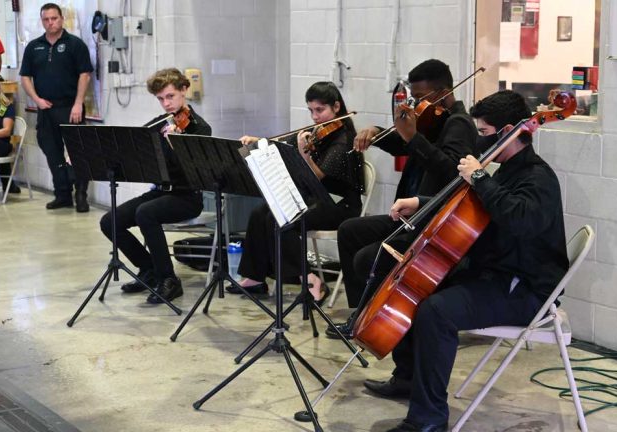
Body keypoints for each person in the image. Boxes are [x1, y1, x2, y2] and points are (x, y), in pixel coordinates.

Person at [362, 90, 569, 432]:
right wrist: (421, 201)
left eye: (484, 134)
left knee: (436, 311)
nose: (479, 142)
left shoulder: (537, 178)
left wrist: (479, 177)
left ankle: (428, 420)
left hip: (525, 290)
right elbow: (473, 206)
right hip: (493, 273)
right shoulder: (505, 170)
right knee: (419, 289)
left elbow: (518, 218)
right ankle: (411, 381)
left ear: (507, 133)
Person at [327, 59, 477, 337]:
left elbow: (451, 173)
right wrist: (375, 131)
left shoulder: (459, 124)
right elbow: (400, 144)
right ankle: (359, 311)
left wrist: (413, 138)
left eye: (420, 98)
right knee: (349, 230)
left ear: (442, 92)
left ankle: (374, 316)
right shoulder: (433, 119)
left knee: (368, 257)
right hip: (410, 215)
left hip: (431, 221)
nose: (416, 104)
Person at [227, 81, 363, 302]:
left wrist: (304, 154)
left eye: (320, 110)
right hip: (315, 201)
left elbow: (316, 176)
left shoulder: (343, 140)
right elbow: (281, 143)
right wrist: (259, 141)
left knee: (281, 218)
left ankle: (310, 279)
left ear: (336, 107)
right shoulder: (318, 132)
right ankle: (255, 277)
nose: (315, 117)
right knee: (260, 212)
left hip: (339, 206)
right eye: (311, 111)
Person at [99, 68, 212, 304]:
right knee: (110, 221)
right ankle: (149, 269)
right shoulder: (161, 124)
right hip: (160, 192)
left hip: (187, 197)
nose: (166, 104)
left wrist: (176, 144)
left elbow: (195, 171)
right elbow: (133, 141)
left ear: (184, 90)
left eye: (170, 96)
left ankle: (169, 279)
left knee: (146, 213)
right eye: (161, 99)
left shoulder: (199, 128)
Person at [20, 3, 93, 212]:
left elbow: (84, 75)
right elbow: (25, 77)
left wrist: (78, 103)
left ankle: (80, 195)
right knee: (52, 153)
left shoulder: (75, 44)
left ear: (62, 19)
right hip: (46, 109)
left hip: (70, 107)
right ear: (42, 21)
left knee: (77, 153)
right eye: (46, 19)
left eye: (54, 18)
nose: (50, 22)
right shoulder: (34, 47)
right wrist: (36, 99)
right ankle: (62, 194)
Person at [0, 79, 20, 194]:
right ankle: (9, 185)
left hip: (3, 143)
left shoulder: (5, 106)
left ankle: (9, 185)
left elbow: (6, 131)